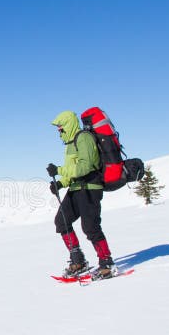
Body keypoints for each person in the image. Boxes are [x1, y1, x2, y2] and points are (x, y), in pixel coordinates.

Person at [47, 110, 115, 278]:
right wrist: (61, 183)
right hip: (77, 188)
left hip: (90, 188)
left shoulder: (83, 138)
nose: (59, 131)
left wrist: (59, 170)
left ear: (68, 125)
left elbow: (86, 166)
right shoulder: (70, 144)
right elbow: (74, 171)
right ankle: (78, 260)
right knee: (61, 222)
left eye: (60, 128)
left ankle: (107, 263)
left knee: (90, 227)